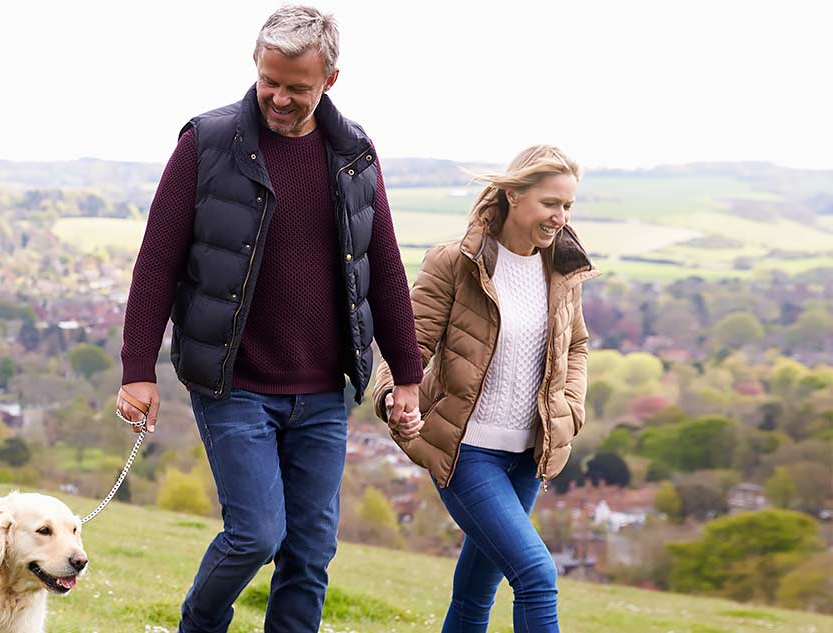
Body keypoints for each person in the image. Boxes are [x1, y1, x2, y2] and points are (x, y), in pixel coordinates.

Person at [113, 5, 422, 631]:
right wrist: (136, 370)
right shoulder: (207, 142)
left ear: (330, 80)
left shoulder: (355, 151)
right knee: (255, 534)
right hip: (234, 383)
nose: (278, 98)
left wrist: (408, 376)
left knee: (309, 554)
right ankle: (199, 623)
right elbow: (156, 264)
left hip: (322, 392)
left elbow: (383, 264)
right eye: (268, 81)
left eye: (296, 87)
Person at [370, 144, 598, 633]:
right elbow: (408, 343)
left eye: (568, 206)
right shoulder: (456, 262)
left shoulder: (562, 270)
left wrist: (569, 410)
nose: (560, 217)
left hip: (528, 457)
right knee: (536, 575)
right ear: (515, 195)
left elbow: (576, 346)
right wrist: (394, 397)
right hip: (466, 452)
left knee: (476, 593)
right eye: (550, 203)